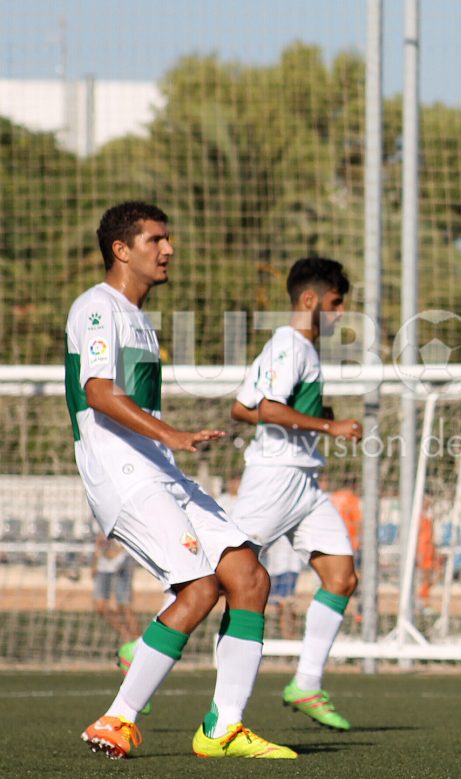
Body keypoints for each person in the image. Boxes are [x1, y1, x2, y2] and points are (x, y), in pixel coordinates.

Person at [68, 202, 294, 759]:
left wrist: (166, 444)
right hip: (122, 475)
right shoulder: (97, 308)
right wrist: (170, 433)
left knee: (249, 577)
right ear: (122, 250)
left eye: (168, 239)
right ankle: (117, 719)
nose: (168, 250)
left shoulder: (140, 317)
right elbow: (98, 392)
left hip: (158, 469)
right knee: (198, 587)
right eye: (155, 240)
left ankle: (224, 728)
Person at [228, 257, 362, 732]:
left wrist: (313, 414)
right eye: (336, 303)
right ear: (310, 301)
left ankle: (305, 683)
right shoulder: (292, 344)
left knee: (342, 576)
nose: (342, 313)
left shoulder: (293, 347)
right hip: (275, 478)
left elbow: (241, 409)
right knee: (224, 574)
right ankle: (143, 648)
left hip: (303, 481)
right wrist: (330, 424)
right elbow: (265, 407)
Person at [93, 536, 139, 646]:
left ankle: (137, 641)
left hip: (121, 561)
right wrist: (94, 561)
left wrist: (117, 552)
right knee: (100, 607)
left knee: (124, 607)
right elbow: (98, 540)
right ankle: (125, 633)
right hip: (103, 565)